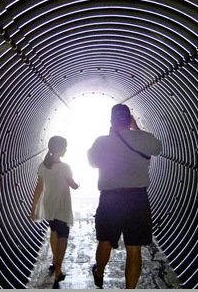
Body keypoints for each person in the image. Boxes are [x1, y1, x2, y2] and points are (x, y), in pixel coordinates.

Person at [87, 104, 162, 289]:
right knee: (134, 248)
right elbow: (158, 149)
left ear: (112, 122)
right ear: (130, 120)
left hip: (110, 199)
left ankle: (99, 272)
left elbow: (92, 162)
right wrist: (137, 129)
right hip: (137, 200)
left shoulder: (101, 141)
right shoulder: (145, 138)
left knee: (105, 239)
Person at [30, 135, 80, 288]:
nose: (66, 149)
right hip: (62, 207)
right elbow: (74, 185)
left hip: (49, 206)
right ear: (60, 149)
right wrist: (78, 183)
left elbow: (38, 189)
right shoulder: (65, 167)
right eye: (65, 147)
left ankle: (54, 261)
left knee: (54, 232)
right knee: (63, 236)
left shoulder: (43, 166)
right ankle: (58, 268)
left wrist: (33, 209)